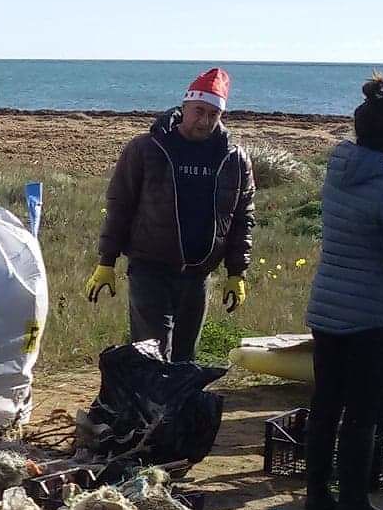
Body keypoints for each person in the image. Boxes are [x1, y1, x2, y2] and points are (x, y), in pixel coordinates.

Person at [303, 76, 383, 510]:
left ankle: (317, 494)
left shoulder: (339, 170)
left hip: (328, 305)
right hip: (371, 313)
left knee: (327, 402)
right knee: (366, 409)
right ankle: (353, 500)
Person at [84, 68, 256, 363]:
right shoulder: (146, 149)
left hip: (199, 274)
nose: (204, 121)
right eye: (198, 111)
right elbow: (119, 205)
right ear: (184, 107)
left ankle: (178, 409)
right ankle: (149, 409)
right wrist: (106, 262)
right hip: (150, 269)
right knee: (152, 354)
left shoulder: (233, 158)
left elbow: (243, 217)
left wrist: (237, 272)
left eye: (213, 114)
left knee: (185, 358)